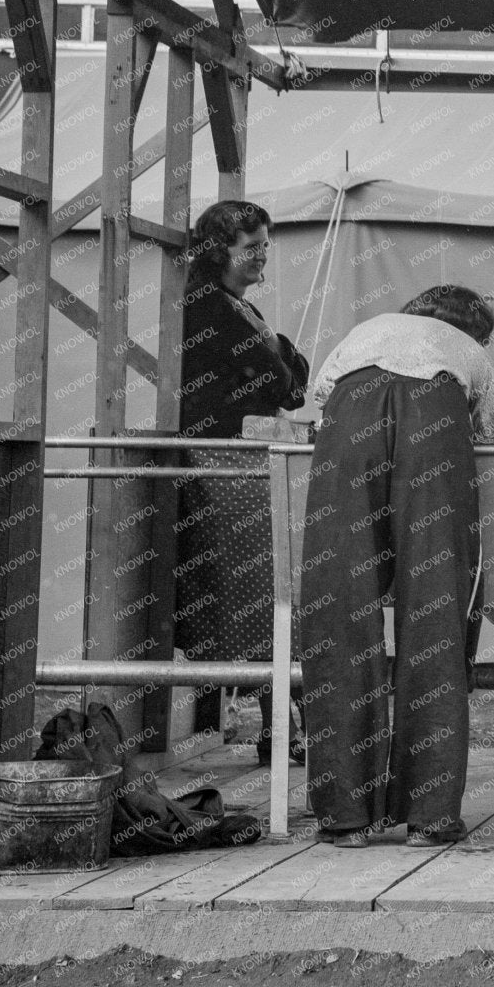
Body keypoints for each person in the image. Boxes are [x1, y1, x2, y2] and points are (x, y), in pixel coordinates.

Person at [298, 284, 494, 848]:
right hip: (433, 430)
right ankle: (431, 815)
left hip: (347, 433)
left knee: (340, 612)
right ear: (474, 330)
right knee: (435, 616)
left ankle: (344, 816)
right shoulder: (468, 350)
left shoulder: (361, 334)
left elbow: (314, 406)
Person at [176, 200, 310, 764]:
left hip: (232, 463)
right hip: (222, 465)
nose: (261, 258)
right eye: (250, 248)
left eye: (263, 247)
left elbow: (285, 380)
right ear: (219, 252)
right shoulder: (213, 308)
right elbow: (285, 383)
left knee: (252, 594)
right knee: (252, 594)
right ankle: (278, 718)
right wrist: (281, 356)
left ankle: (278, 716)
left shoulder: (231, 306)